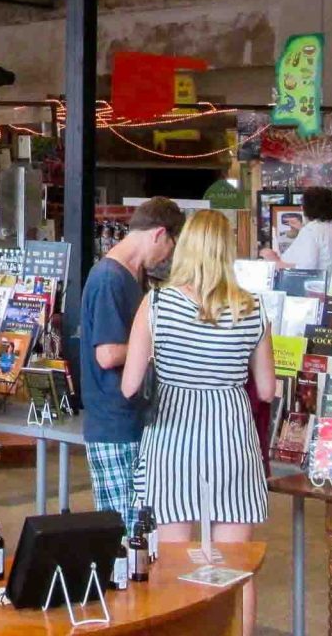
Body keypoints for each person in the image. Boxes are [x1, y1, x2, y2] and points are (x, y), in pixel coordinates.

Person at [121, 210, 273, 633]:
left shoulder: (157, 304)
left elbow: (130, 386)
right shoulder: (252, 308)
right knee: (236, 566)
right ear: (228, 252)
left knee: (170, 561)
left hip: (172, 438)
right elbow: (266, 390)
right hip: (231, 437)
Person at [77, 196, 183, 533]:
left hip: (132, 418)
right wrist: (154, 345)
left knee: (141, 530)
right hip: (114, 422)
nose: (167, 256)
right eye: (170, 246)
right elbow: (107, 354)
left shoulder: (131, 277)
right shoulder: (110, 278)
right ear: (158, 234)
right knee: (123, 535)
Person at [260, 186, 332, 274]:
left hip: (316, 288)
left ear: (307, 208)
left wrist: (274, 260)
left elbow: (305, 268)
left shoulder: (311, 231)